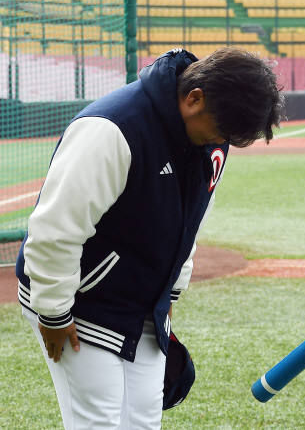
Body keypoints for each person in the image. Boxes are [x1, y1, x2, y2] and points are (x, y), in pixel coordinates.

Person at [16, 47, 284, 429]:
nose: (221, 141)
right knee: (100, 422)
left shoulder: (213, 137)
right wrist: (54, 312)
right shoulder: (112, 128)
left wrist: (169, 292)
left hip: (144, 305)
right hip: (83, 301)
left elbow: (191, 216)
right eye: (220, 131)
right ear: (194, 99)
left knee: (143, 420)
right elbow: (55, 229)